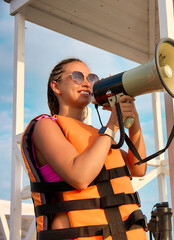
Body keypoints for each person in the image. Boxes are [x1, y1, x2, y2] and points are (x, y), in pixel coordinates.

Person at [21, 58, 148, 240]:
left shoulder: (100, 136)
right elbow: (80, 177)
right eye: (78, 77)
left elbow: (138, 168)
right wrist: (112, 124)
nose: (87, 82)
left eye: (91, 78)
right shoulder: (46, 126)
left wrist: (132, 121)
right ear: (56, 87)